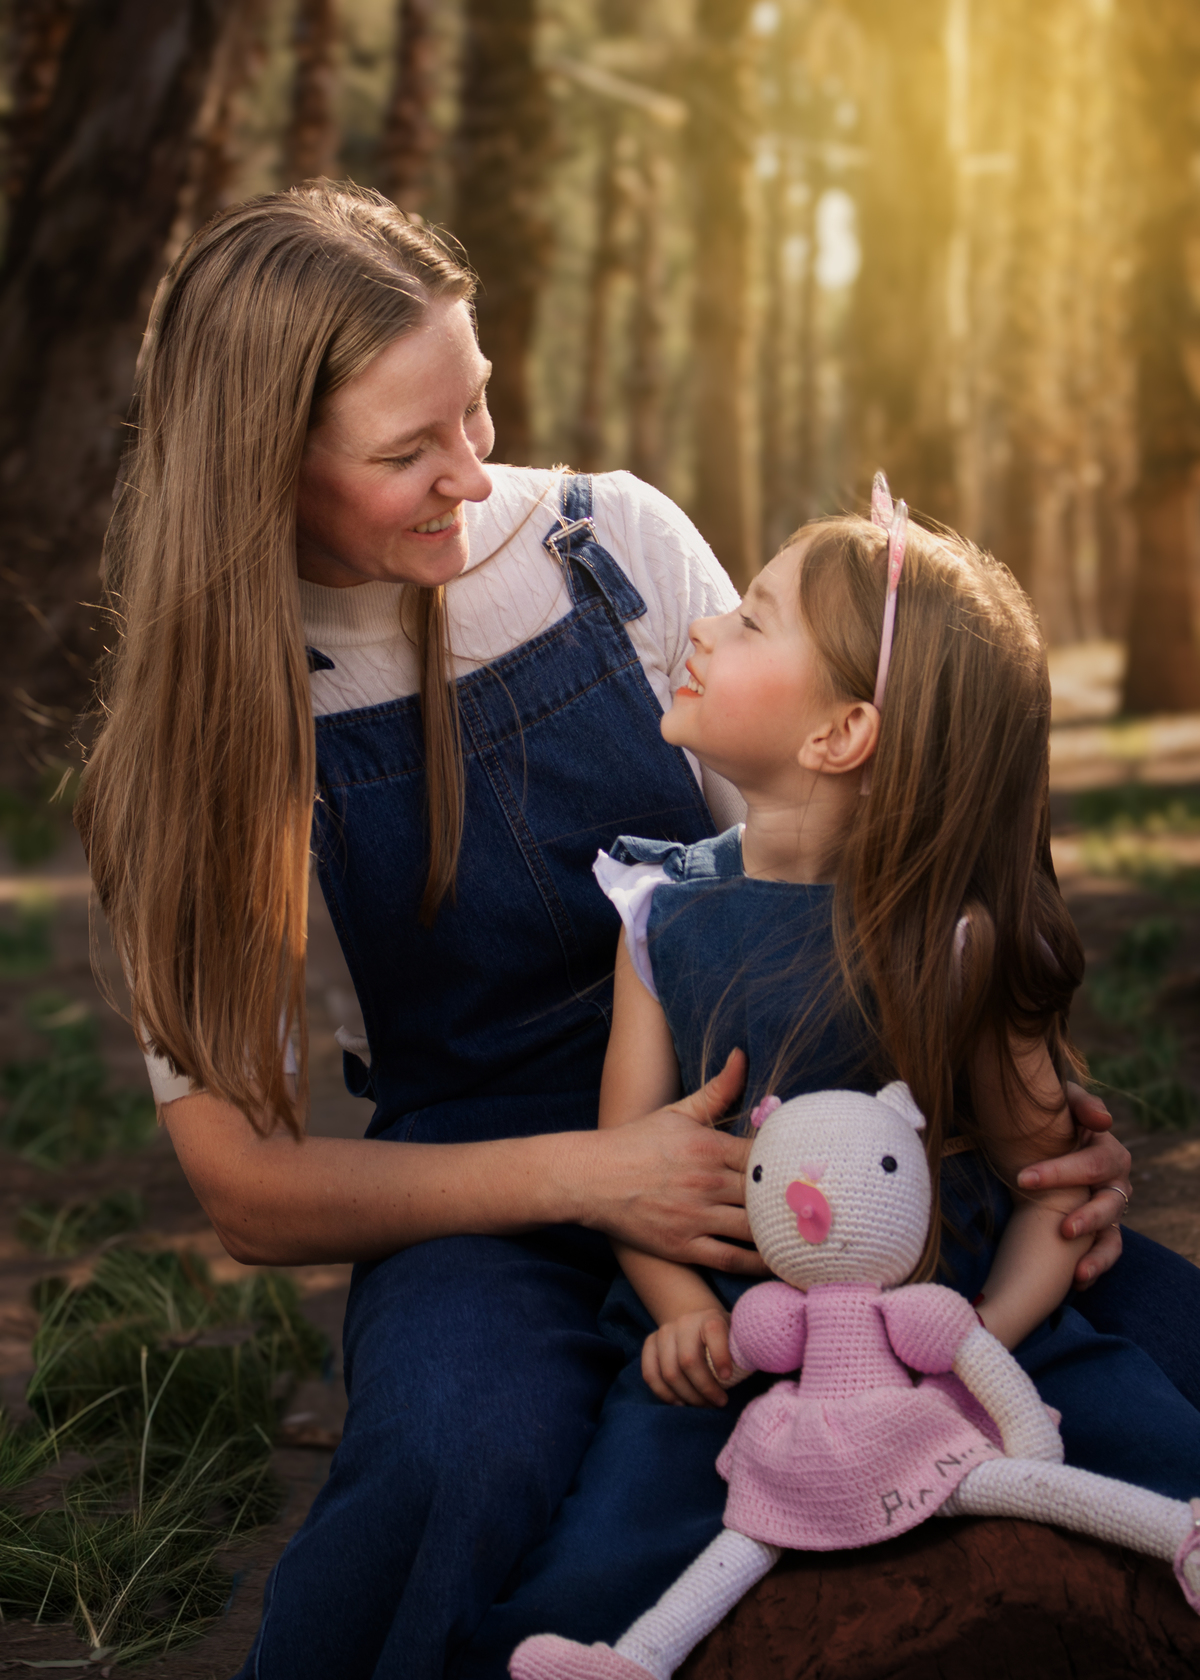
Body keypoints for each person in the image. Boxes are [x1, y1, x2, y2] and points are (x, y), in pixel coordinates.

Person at [74, 183, 1143, 1680]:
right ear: (265, 464)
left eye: (478, 407)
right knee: (457, 1460)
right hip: (476, 1172)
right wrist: (600, 1174)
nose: (475, 470)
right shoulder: (218, 724)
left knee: (1126, 1341)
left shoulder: (612, 542)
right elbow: (246, 1188)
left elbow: (860, 838)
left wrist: (1035, 1114)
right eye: (406, 452)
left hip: (787, 1094)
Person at [455, 489, 1200, 1675]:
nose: (702, 629)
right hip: (741, 1338)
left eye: (750, 621)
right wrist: (687, 1319)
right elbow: (621, 1166)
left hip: (953, 1319)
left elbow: (1050, 1180)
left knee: (1142, 1438)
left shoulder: (951, 941)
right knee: (617, 1531)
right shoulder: (661, 910)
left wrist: (975, 1344)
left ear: (839, 734)